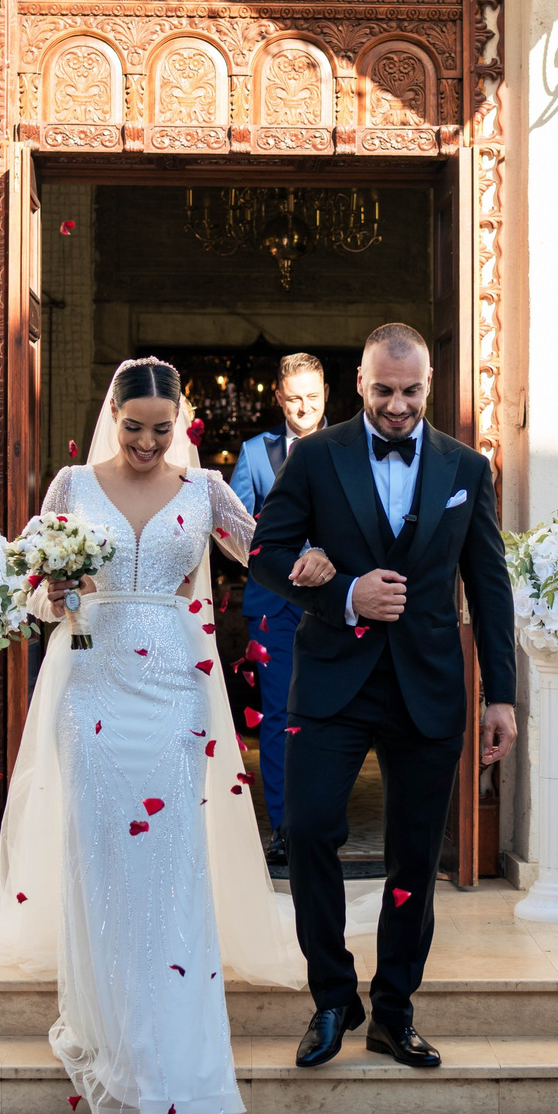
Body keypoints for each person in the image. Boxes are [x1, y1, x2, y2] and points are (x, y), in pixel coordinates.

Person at [0, 358, 336, 1114]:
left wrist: (316, 560)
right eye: (134, 426)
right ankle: (113, 1039)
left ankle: (175, 1052)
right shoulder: (71, 487)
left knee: (171, 862)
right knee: (102, 854)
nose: (146, 442)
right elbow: (32, 590)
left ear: (182, 424)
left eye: (161, 429)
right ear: (114, 414)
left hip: (176, 689)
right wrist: (56, 591)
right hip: (92, 682)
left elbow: (265, 555)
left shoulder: (206, 492)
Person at [247, 323, 518, 1072]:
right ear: (359, 382)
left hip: (429, 688)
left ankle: (394, 1011)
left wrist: (502, 695)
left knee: (413, 858)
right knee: (306, 830)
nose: (397, 406)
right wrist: (343, 593)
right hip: (333, 680)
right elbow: (265, 553)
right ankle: (332, 997)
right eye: (383, 390)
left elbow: (489, 584)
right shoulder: (317, 455)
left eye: (411, 391)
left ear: (430, 385)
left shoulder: (468, 466)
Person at [231, 354, 330, 875]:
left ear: (328, 393)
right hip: (275, 605)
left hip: (339, 602)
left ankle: (322, 827)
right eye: (294, 397)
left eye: (313, 396)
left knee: (333, 717)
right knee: (277, 718)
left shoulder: (353, 446)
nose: (304, 407)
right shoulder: (254, 453)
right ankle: (285, 830)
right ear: (278, 396)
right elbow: (240, 533)